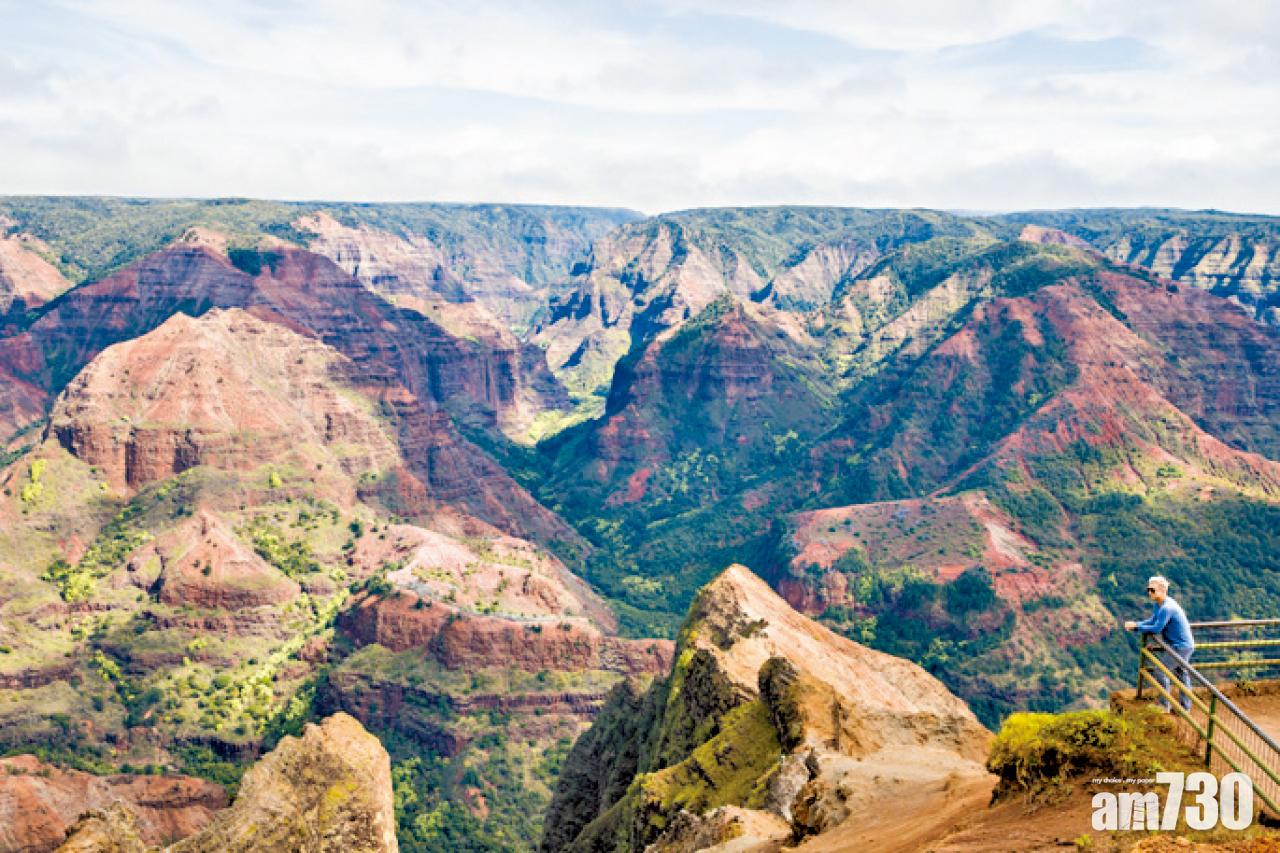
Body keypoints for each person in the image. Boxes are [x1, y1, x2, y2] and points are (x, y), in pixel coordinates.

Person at [1125, 576, 1195, 713]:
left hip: (1181, 646)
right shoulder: (1159, 604)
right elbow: (1152, 621)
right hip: (1181, 645)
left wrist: (1136, 627)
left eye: (1152, 590)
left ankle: (1164, 706)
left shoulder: (1167, 608)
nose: (1149, 592)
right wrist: (1137, 624)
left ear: (1163, 590)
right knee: (1181, 674)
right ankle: (1185, 707)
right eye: (1148, 589)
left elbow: (1157, 628)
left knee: (1160, 671)